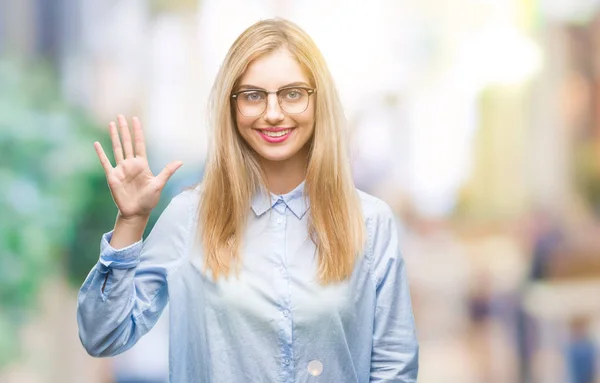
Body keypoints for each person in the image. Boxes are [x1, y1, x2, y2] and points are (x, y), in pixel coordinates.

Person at [77, 18, 419, 382]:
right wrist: (130, 222)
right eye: (254, 95)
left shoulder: (370, 222)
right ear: (232, 106)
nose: (273, 113)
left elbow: (393, 368)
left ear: (319, 102)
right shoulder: (189, 217)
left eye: (292, 93)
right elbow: (103, 336)